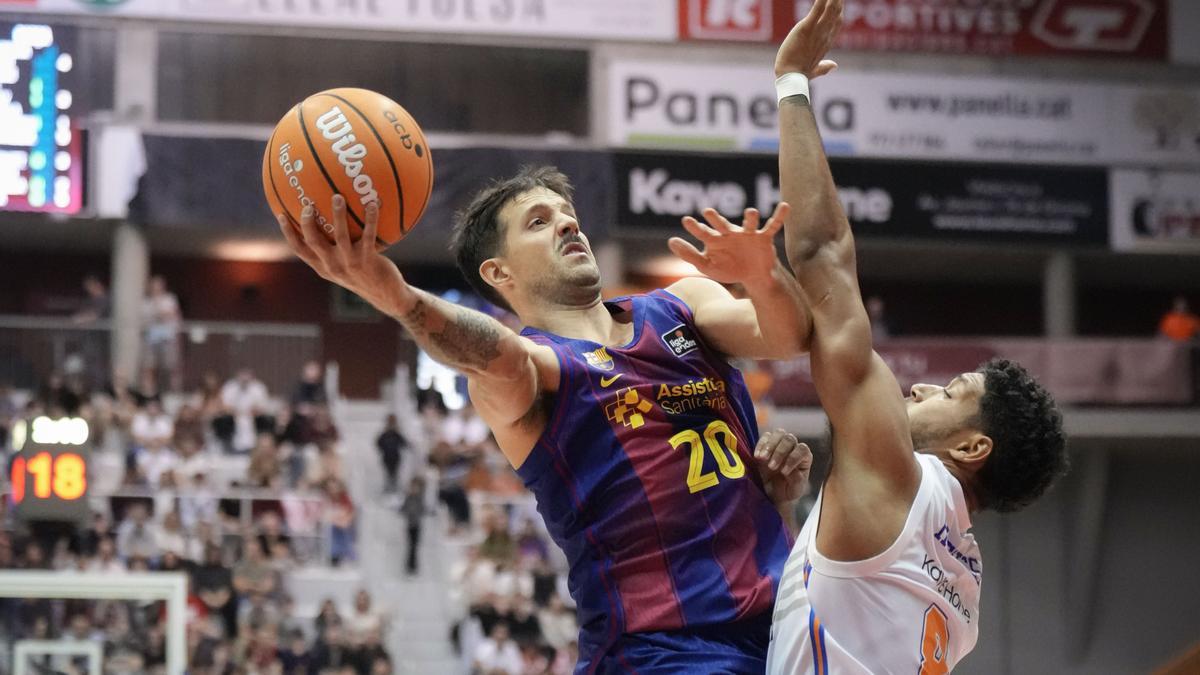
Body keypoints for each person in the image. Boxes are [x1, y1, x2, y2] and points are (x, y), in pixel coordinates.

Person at [278, 154, 814, 668]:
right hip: (666, 651)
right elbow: (496, 355)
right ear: (499, 272)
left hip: (791, 619)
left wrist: (764, 275)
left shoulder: (681, 304)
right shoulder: (536, 371)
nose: (566, 226)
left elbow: (789, 334)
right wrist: (398, 297)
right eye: (539, 221)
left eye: (568, 216)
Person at [764, 2, 1069, 671]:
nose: (924, 384)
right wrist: (786, 514)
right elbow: (833, 621)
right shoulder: (964, 589)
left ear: (972, 445)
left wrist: (791, 82)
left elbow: (821, 256)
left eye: (952, 390)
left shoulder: (904, 478)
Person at [141, 275, 183, 392]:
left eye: (158, 285)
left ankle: (174, 391)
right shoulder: (146, 302)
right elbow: (145, 319)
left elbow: (171, 314)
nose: (156, 288)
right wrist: (159, 313)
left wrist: (158, 313)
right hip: (151, 339)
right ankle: (149, 392)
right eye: (153, 286)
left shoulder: (170, 299)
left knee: (171, 367)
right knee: (149, 366)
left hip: (167, 338)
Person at [375, 414, 408, 493]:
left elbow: (404, 443)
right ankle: (388, 486)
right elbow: (378, 443)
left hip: (395, 456)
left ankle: (394, 486)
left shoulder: (397, 434)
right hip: (387, 456)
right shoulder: (385, 434)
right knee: (388, 472)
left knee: (395, 472)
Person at [400, 476, 426, 575]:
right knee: (411, 546)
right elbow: (403, 509)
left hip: (416, 525)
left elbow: (422, 510)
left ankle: (413, 566)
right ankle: (410, 566)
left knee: (414, 546)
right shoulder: (408, 498)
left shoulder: (419, 499)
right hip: (410, 525)